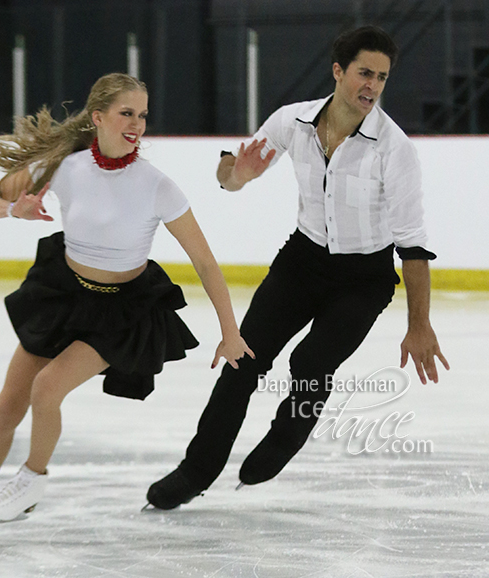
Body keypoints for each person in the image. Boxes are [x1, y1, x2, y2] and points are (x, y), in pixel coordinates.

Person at [0, 72, 254, 539]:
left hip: (121, 311)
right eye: (126, 113)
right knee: (7, 406)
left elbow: (204, 261)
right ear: (98, 117)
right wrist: (12, 209)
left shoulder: (157, 185)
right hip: (63, 295)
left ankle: (32, 481)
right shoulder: (66, 166)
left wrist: (230, 330)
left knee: (46, 389)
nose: (137, 123)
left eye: (142, 114)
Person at [146, 26, 450, 510]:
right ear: (338, 71)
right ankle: (195, 470)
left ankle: (288, 434)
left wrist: (419, 324)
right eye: (363, 73)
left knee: (310, 363)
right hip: (301, 262)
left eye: (382, 77)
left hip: (365, 278)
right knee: (241, 360)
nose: (371, 86)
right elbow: (232, 177)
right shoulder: (294, 122)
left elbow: (412, 246)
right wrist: (235, 174)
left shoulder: (395, 150)